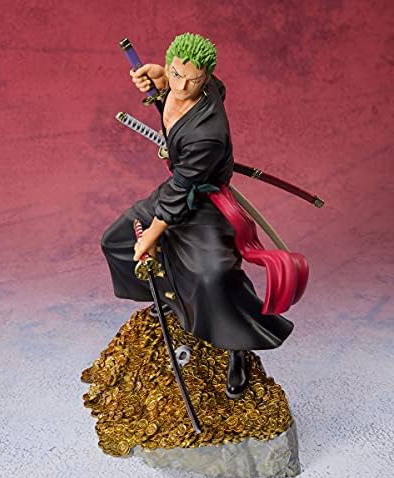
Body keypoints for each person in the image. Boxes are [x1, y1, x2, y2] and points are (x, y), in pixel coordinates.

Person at [101, 33, 294, 399]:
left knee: (214, 277)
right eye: (176, 73)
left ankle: (237, 347)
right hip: (178, 192)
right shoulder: (188, 85)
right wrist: (160, 80)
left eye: (192, 80)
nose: (182, 86)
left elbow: (180, 192)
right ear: (169, 63)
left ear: (206, 77)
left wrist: (151, 234)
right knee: (116, 240)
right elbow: (187, 89)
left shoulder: (208, 133)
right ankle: (172, 300)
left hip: (204, 202)